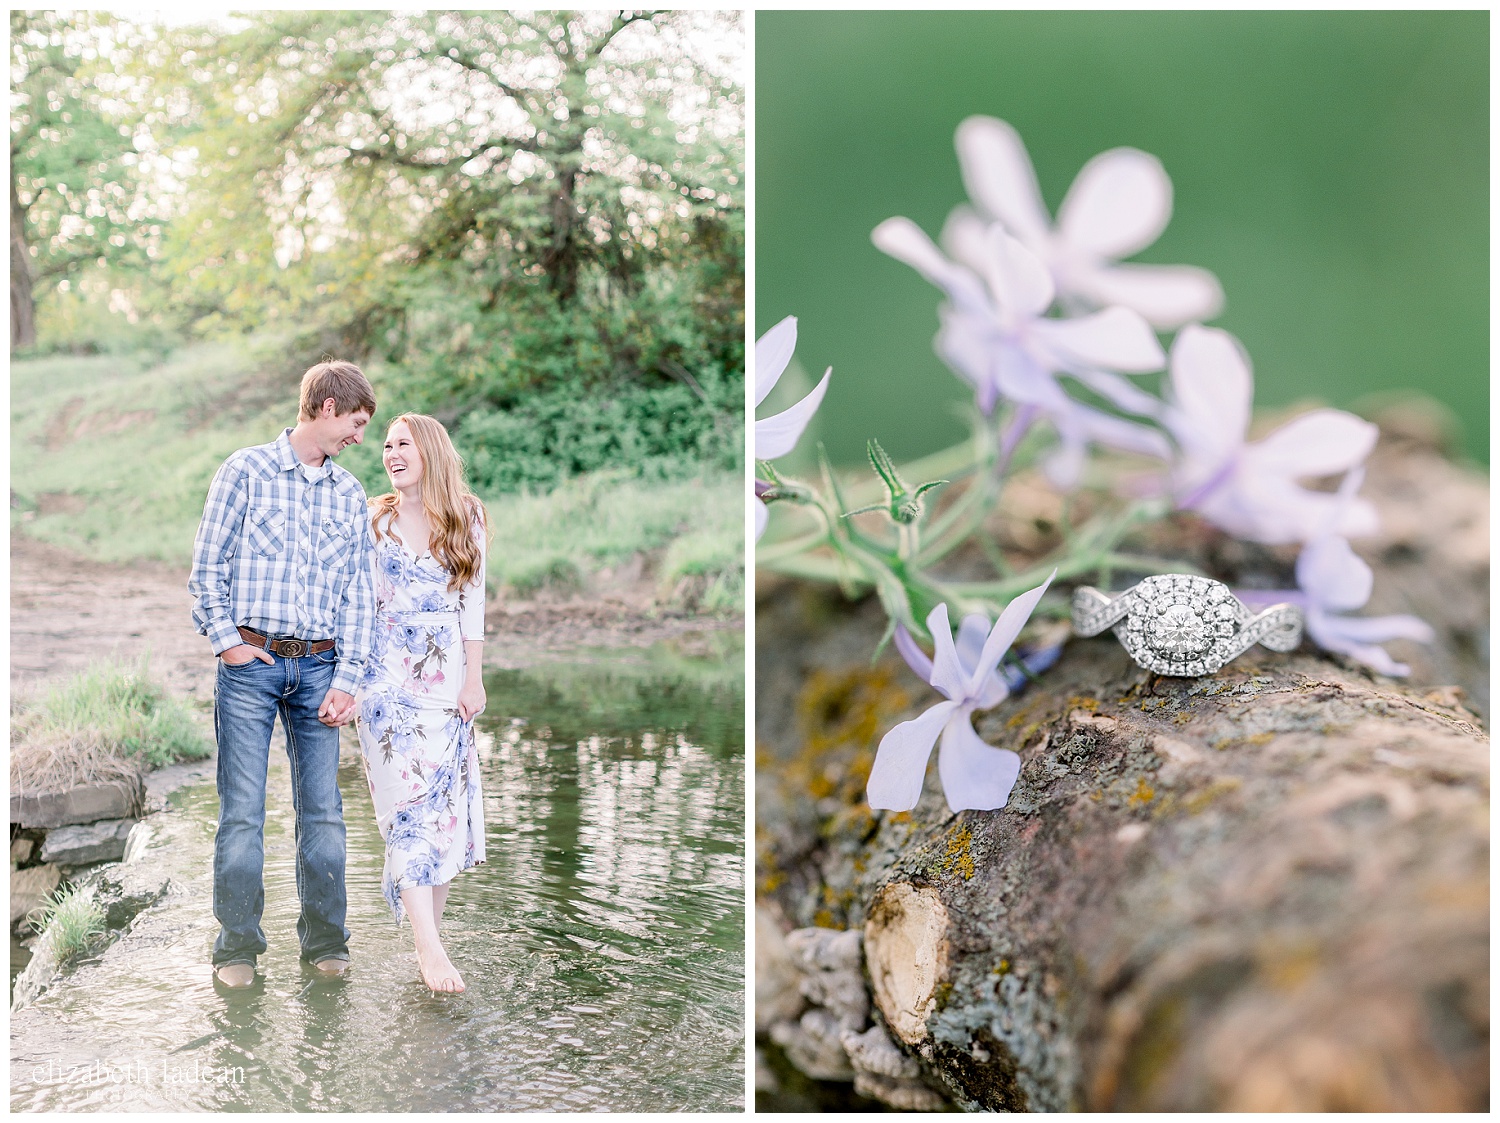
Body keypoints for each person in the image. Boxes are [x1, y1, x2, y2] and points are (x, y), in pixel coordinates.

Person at [189, 360, 379, 990]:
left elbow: (357, 595)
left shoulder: (350, 496)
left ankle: (325, 941)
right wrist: (227, 645)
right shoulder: (243, 471)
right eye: (355, 422)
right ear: (325, 407)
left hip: (323, 667)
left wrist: (349, 677)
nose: (359, 437)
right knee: (242, 813)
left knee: (323, 813)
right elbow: (206, 569)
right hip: (251, 664)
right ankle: (236, 948)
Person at [356, 413, 488, 994]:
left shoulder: (468, 515)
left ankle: (430, 940)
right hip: (384, 686)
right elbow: (356, 605)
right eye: (385, 445)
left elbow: (473, 606)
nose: (391, 453)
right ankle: (429, 950)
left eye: (402, 443)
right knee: (406, 814)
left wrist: (473, 681)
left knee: (443, 815)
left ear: (429, 450)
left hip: (446, 687)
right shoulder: (374, 520)